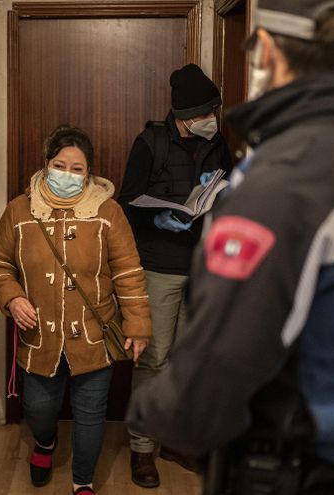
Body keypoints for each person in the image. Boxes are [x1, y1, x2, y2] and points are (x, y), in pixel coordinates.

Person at [127, 1, 334, 494]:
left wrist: (153, 410)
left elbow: (213, 382)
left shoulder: (285, 182)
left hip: (293, 468)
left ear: (268, 50)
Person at [0, 125, 151, 495]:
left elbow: (128, 271)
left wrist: (138, 324)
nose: (68, 174)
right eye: (61, 165)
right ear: (46, 165)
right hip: (39, 334)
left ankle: (83, 480)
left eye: (78, 169)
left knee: (91, 414)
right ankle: (45, 443)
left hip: (94, 333)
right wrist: (13, 297)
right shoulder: (19, 210)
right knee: (38, 409)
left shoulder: (108, 212)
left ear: (89, 172)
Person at [117, 63, 232, 488]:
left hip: (203, 267)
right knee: (155, 358)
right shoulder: (151, 143)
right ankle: (142, 448)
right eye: (204, 113)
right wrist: (162, 218)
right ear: (183, 115)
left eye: (214, 111)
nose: (211, 120)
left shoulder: (217, 143)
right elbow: (128, 201)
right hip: (160, 268)